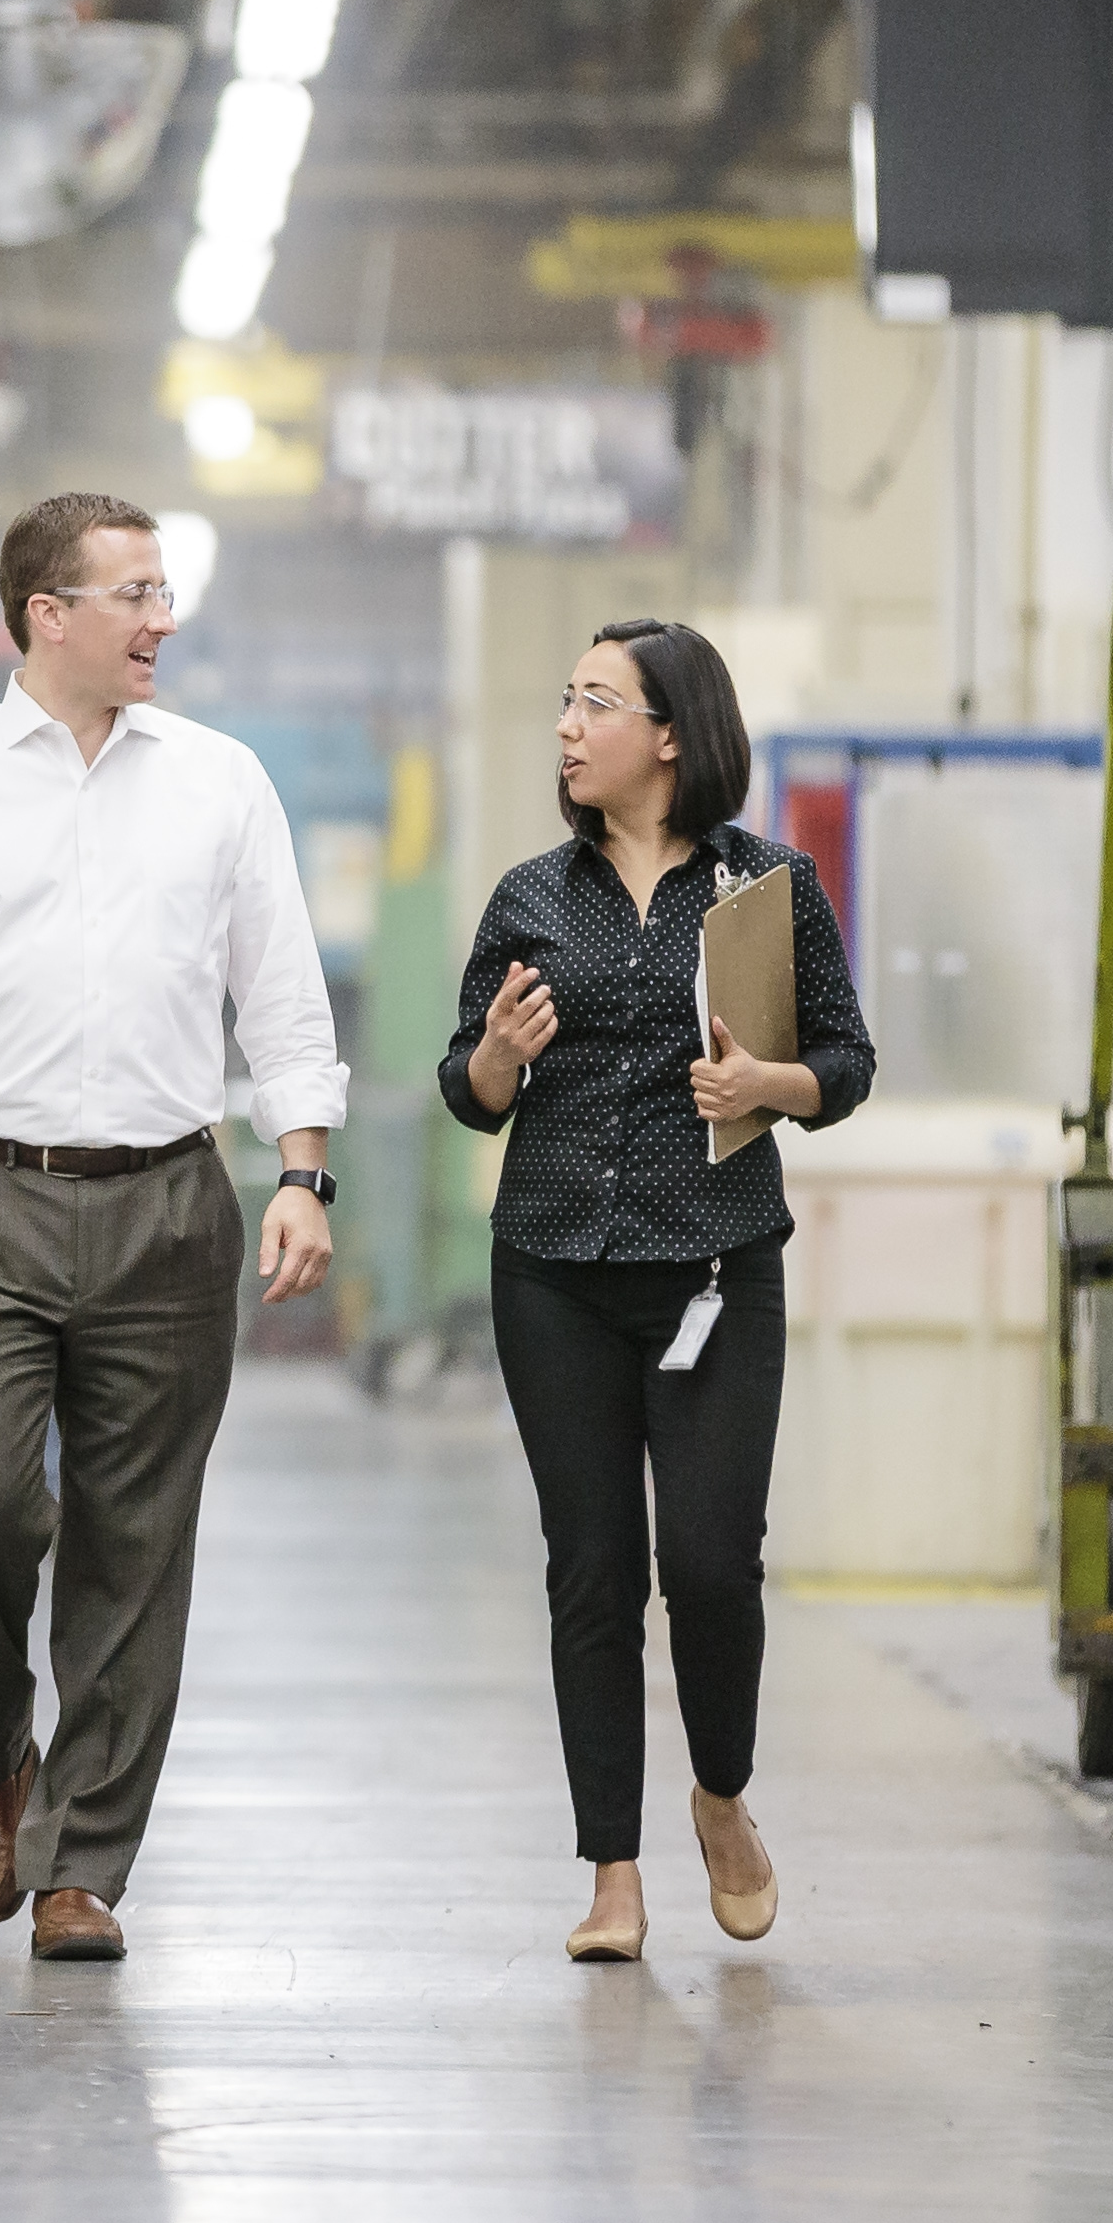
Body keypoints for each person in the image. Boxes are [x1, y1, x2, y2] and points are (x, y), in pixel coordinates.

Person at [0, 492, 346, 1964]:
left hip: (169, 1200)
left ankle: (79, 1865)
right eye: (134, 592)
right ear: (48, 612)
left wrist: (302, 1171)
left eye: (163, 590)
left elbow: (280, 994)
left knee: (134, 1542)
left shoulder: (222, 785)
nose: (161, 618)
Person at [440, 619, 870, 1962]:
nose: (567, 724)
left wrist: (764, 1087)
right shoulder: (529, 895)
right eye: (564, 699)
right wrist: (500, 1061)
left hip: (711, 1275)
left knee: (706, 1560)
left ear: (670, 734)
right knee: (593, 1571)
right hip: (553, 1272)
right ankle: (610, 1877)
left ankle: (722, 1795)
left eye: (595, 702)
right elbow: (463, 1086)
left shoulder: (767, 889)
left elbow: (845, 1065)